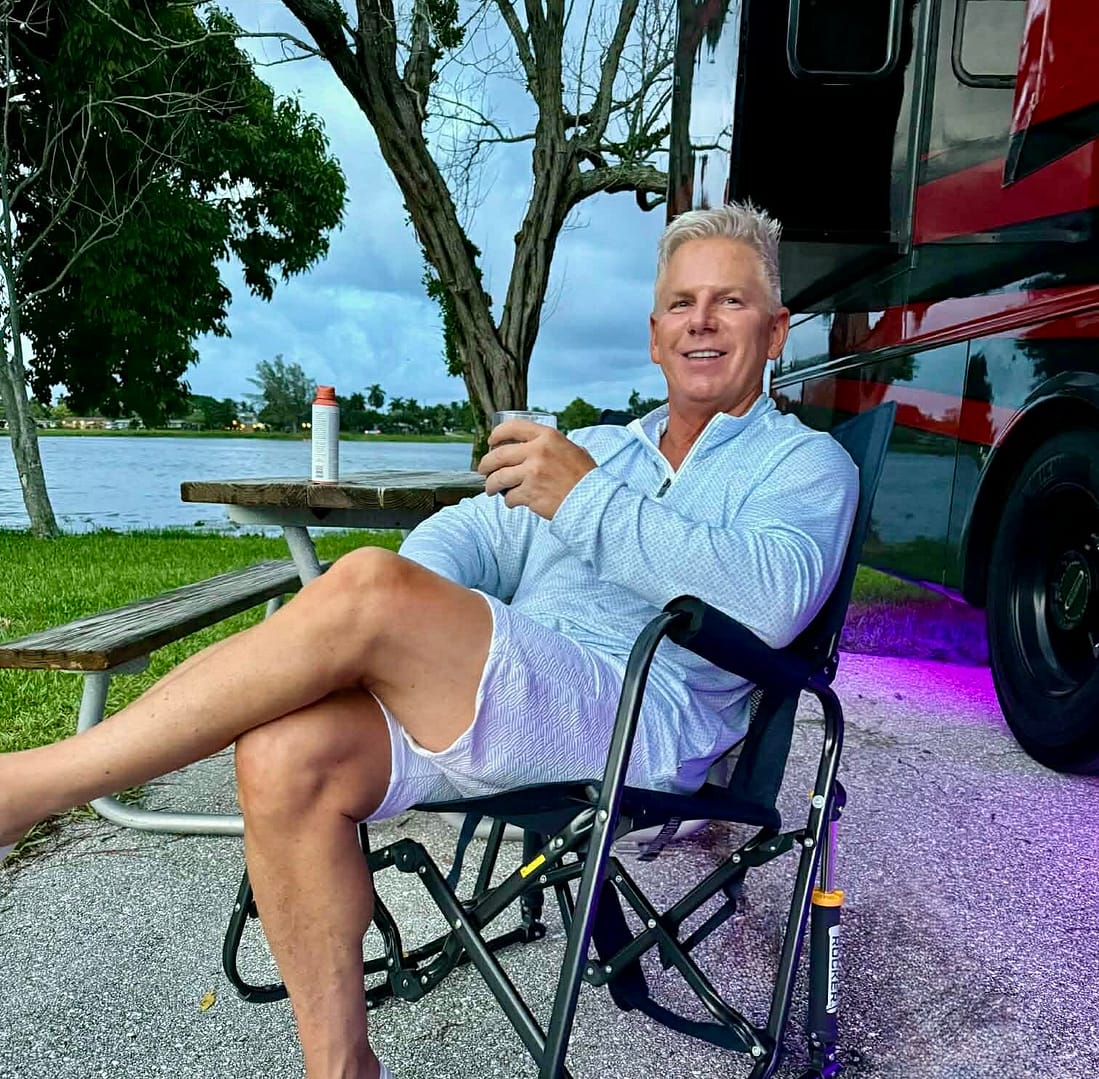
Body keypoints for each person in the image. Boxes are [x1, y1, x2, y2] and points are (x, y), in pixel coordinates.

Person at [0, 202, 858, 1079]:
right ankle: (341, 1068)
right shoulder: (602, 448)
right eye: (681, 303)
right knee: (286, 752)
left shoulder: (804, 465)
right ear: (653, 334)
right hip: (510, 689)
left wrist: (578, 502)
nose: (701, 321)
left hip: (643, 720)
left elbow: (767, 600)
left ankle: (35, 786)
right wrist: (419, 630)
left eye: (729, 301)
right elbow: (469, 532)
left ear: (775, 330)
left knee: (371, 587)